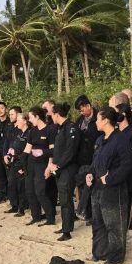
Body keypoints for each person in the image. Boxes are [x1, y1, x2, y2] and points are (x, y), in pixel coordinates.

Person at [87, 107, 132, 264]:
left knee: (114, 225)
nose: (96, 123)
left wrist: (111, 178)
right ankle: (99, 253)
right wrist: (90, 173)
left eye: (98, 119)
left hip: (114, 189)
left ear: (106, 120)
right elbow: (95, 162)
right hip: (98, 188)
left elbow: (128, 165)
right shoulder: (100, 140)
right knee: (97, 222)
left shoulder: (121, 139)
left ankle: (115, 258)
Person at [48, 102, 81, 240]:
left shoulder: (71, 128)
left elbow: (70, 151)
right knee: (63, 199)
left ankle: (67, 231)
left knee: (66, 199)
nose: (51, 117)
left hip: (68, 168)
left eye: (51, 114)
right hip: (60, 168)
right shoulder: (60, 128)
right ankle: (66, 225)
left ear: (56, 114)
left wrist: (58, 165)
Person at [24, 107, 57, 226]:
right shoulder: (32, 131)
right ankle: (36, 216)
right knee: (30, 191)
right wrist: (22, 164)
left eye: (31, 117)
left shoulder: (50, 130)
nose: (30, 120)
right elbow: (27, 149)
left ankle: (50, 217)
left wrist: (49, 166)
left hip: (42, 164)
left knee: (40, 192)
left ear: (37, 117)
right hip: (31, 163)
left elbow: (53, 150)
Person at [75, 94, 102, 222]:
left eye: (82, 109)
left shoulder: (99, 118)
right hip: (82, 158)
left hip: (94, 156)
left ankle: (94, 214)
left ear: (89, 106)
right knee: (82, 184)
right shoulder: (79, 120)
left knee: (94, 185)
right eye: (80, 111)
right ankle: (85, 211)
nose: (82, 112)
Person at [115, 103, 132, 207]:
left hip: (130, 174)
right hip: (117, 174)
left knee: (127, 201)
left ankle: (127, 223)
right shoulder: (115, 132)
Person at [6, 110, 31, 217]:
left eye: (19, 120)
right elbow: (14, 145)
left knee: (21, 186)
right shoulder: (19, 133)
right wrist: (9, 153)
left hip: (22, 163)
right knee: (12, 184)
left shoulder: (29, 133)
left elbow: (27, 151)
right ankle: (14, 205)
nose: (17, 122)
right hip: (14, 162)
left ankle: (22, 208)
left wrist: (21, 165)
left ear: (25, 121)